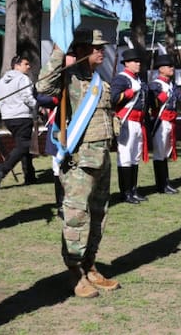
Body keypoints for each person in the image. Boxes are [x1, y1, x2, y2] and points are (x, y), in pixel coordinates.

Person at [42, 29, 120, 299]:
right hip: (79, 161)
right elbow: (43, 87)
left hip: (101, 158)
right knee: (76, 216)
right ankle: (75, 270)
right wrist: (58, 53)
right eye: (96, 47)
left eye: (102, 47)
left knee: (99, 214)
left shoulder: (100, 80)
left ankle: (89, 264)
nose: (101, 51)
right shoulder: (69, 78)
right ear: (82, 50)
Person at [0, 54, 38, 187]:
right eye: (26, 64)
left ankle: (30, 176)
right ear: (17, 65)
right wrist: (37, 107)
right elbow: (27, 97)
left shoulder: (2, 81)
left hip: (8, 118)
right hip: (22, 116)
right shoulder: (23, 78)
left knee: (23, 145)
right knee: (24, 145)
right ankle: (2, 169)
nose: (29, 67)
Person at [111, 48, 149, 204]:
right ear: (126, 63)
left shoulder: (139, 80)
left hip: (139, 122)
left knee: (135, 156)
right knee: (125, 156)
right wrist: (129, 93)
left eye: (139, 61)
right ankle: (125, 192)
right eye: (135, 61)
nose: (138, 64)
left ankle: (133, 190)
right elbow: (113, 98)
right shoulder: (121, 79)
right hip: (126, 121)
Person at [148, 54, 181, 194]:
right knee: (160, 153)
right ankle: (161, 185)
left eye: (172, 66)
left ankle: (166, 183)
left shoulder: (171, 84)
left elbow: (179, 98)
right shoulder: (155, 85)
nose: (172, 68)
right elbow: (153, 103)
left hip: (170, 120)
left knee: (165, 152)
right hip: (160, 121)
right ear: (161, 69)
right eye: (169, 66)